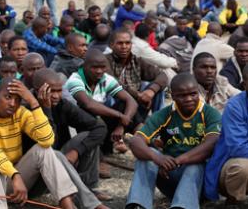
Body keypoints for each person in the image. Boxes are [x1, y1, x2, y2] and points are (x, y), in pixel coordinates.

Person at [0, 77, 77, 208]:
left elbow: (47, 140)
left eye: (17, 100)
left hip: (15, 180)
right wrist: (14, 175)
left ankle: (67, 205)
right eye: (8, 97)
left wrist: (34, 103)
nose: (12, 104)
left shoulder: (20, 113)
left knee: (43, 150)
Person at [125, 73, 221, 209]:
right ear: (173, 95)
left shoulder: (210, 113)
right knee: (147, 155)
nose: (189, 99)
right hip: (170, 177)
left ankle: (183, 206)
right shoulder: (165, 114)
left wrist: (178, 161)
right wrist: (158, 158)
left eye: (193, 94)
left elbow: (211, 144)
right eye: (182, 95)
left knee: (195, 165)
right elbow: (136, 141)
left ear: (198, 92)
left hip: (200, 182)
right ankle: (138, 205)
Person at [32, 68, 110, 209]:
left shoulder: (62, 104)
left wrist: (76, 151)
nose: (56, 96)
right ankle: (92, 204)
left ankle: (87, 189)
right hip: (38, 171)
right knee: (53, 154)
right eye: (51, 91)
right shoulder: (27, 107)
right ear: (38, 91)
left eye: (59, 90)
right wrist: (46, 109)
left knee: (88, 137)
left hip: (59, 160)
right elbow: (48, 143)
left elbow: (99, 127)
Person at [65, 49, 138, 174]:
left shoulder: (105, 78)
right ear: (85, 66)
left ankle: (142, 137)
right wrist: (120, 116)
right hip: (75, 126)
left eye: (102, 67)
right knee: (90, 110)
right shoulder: (75, 79)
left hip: (98, 124)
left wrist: (121, 126)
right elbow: (88, 104)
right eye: (95, 67)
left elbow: (131, 101)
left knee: (124, 104)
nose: (99, 71)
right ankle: (98, 159)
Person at [204, 65, 248, 205]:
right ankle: (235, 201)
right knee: (242, 168)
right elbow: (238, 148)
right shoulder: (235, 106)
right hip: (232, 162)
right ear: (245, 84)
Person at [106, 29, 168, 120]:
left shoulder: (136, 61)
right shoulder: (105, 61)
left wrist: (151, 91)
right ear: (111, 45)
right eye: (120, 43)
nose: (124, 46)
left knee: (156, 87)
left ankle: (159, 122)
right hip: (116, 106)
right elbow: (114, 83)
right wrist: (137, 95)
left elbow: (162, 75)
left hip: (139, 101)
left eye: (127, 43)